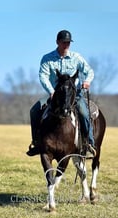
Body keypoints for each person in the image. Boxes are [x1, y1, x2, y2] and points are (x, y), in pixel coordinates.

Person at [26, 30, 96, 158]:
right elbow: (43, 76)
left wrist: (87, 81)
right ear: (57, 42)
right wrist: (51, 91)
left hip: (73, 95)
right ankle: (37, 143)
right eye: (64, 42)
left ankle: (88, 143)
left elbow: (89, 71)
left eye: (68, 43)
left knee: (84, 112)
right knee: (34, 111)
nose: (66, 45)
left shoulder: (76, 58)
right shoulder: (47, 58)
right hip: (53, 94)